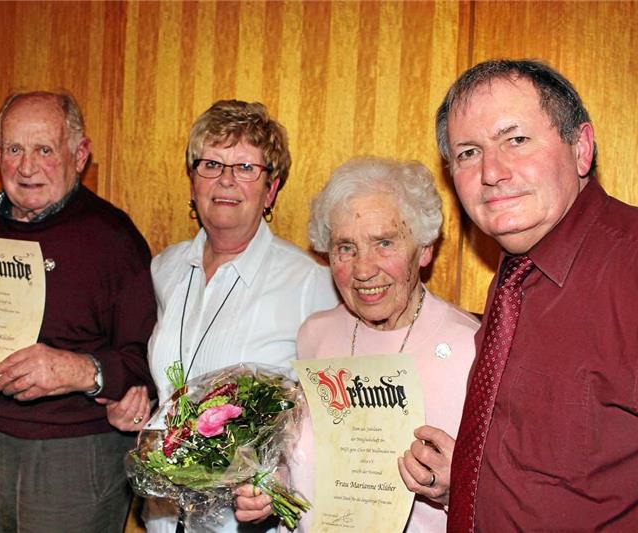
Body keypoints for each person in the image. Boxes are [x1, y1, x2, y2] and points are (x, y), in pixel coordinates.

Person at [0, 91, 157, 533]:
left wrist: (77, 369)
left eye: (44, 149)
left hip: (71, 455)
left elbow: (146, 365)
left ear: (79, 154)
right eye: (14, 149)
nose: (26, 167)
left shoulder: (113, 239)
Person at [104, 99, 339, 532]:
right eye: (211, 163)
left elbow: (329, 416)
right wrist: (139, 410)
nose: (226, 180)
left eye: (246, 167)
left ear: (271, 189)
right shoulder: (164, 270)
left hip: (247, 522)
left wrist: (280, 480)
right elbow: (174, 382)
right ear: (192, 181)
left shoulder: (310, 283)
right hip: (162, 516)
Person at [436, 59, 638, 531]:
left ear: (581, 148)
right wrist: (469, 481)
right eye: (468, 152)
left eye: (516, 140)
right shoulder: (514, 275)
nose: (491, 172)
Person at [234, 156, 480, 531]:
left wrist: (456, 491)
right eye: (345, 248)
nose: (363, 270)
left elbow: (514, 498)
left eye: (384, 243)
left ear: (425, 247)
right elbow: (302, 467)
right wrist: (269, 491)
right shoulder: (315, 336)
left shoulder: (471, 349)